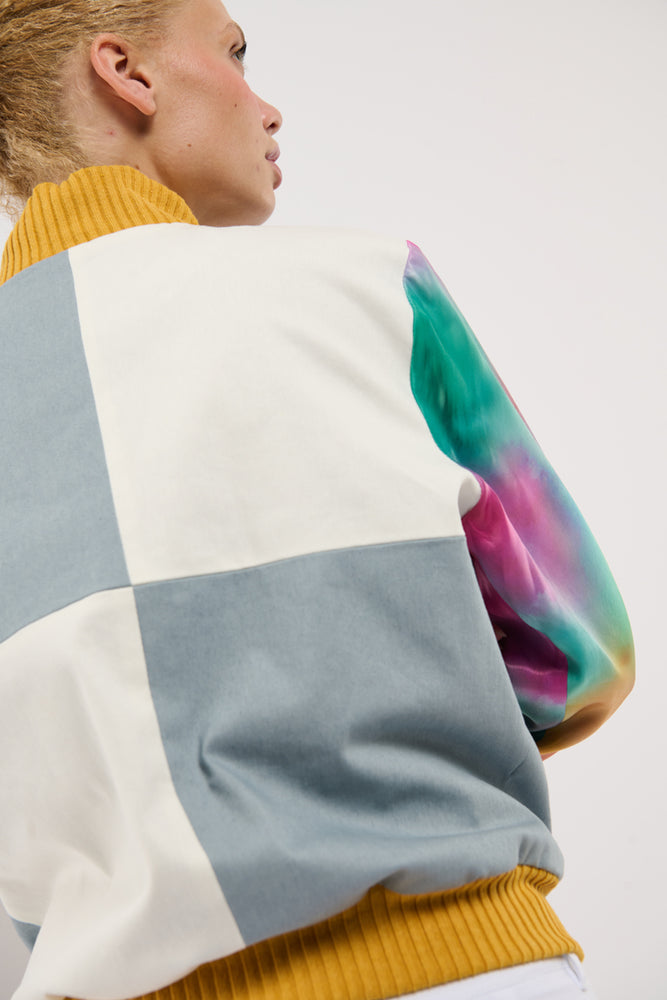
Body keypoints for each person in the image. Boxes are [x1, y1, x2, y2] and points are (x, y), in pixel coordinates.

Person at [0, 2, 635, 999]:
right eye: (234, 53)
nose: (268, 107)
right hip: (455, 961)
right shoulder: (363, 286)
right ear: (126, 72)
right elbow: (577, 658)